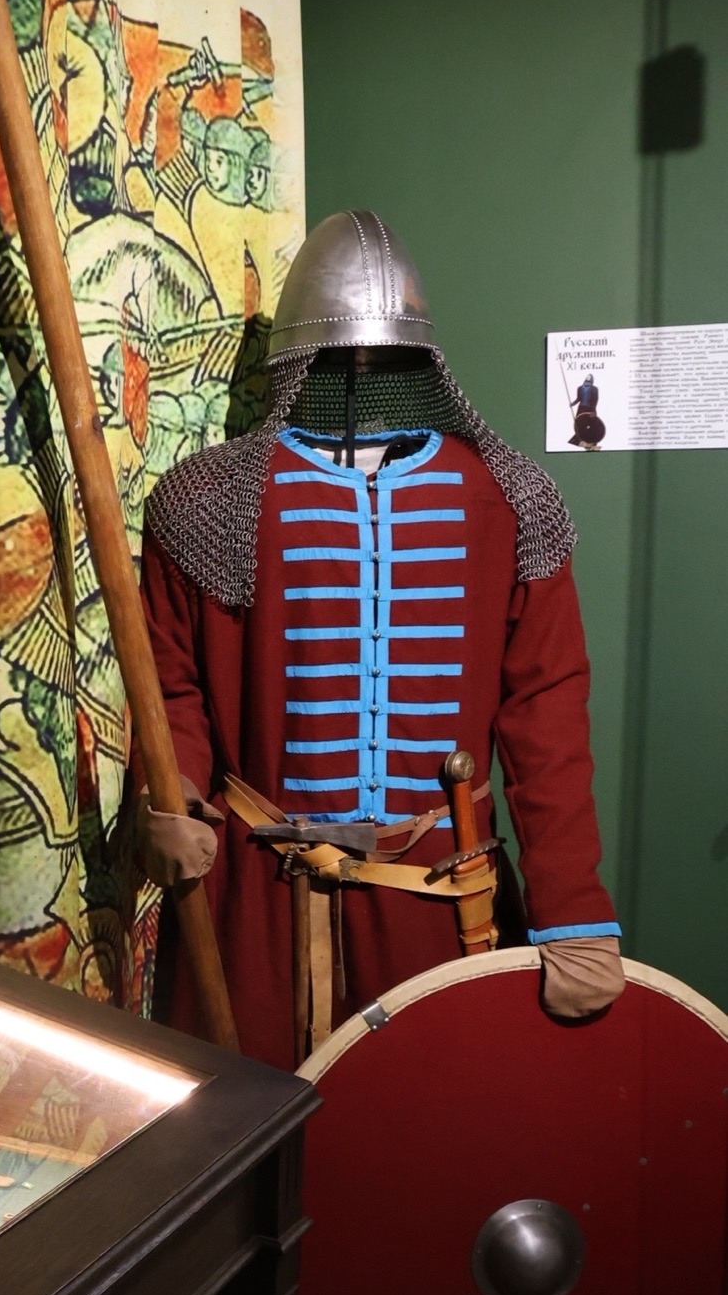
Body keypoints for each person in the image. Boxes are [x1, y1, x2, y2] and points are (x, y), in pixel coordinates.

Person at [134, 208, 623, 1070]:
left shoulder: (509, 499)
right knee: (249, 1121)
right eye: (342, 359)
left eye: (381, 360)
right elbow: (171, 681)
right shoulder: (207, 501)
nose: (361, 373)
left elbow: (546, 715)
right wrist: (169, 793)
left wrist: (572, 911)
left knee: (429, 1118)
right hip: (259, 900)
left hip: (440, 900)